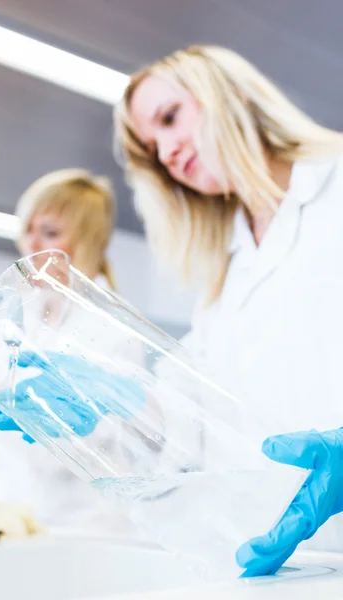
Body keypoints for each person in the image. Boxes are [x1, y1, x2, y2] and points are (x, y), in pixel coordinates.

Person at [111, 44, 343, 573]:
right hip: (290, 563)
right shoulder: (224, 278)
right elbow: (194, 416)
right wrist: (96, 405)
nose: (166, 153)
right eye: (152, 149)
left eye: (170, 119)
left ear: (231, 93)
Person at [0, 168, 139, 536]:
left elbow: (66, 448)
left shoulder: (110, 329)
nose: (31, 247)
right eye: (27, 231)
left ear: (89, 242)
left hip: (75, 527)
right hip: (6, 519)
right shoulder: (22, 315)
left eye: (49, 234)